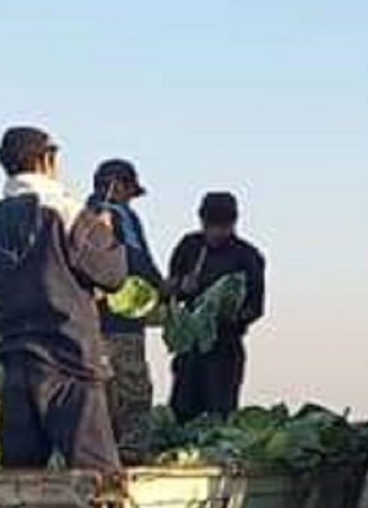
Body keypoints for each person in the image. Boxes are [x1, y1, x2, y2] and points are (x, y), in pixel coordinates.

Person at [0, 126, 128, 474]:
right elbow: (113, 274)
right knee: (99, 481)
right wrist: (105, 232)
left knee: (20, 484)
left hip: (16, 368)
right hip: (70, 364)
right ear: (47, 159)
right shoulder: (67, 212)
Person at [165, 190, 266, 421]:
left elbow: (256, 306)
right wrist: (181, 287)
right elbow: (168, 292)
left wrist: (228, 314)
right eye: (211, 225)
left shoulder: (248, 256)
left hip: (225, 348)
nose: (217, 232)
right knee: (181, 411)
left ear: (234, 223)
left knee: (219, 414)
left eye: (224, 226)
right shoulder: (189, 246)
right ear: (202, 221)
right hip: (189, 347)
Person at [87, 158, 165, 454]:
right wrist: (161, 285)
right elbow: (135, 258)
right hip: (122, 321)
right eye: (129, 191)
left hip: (91, 322)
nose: (130, 200)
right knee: (133, 392)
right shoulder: (117, 215)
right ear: (116, 186)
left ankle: (101, 451)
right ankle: (131, 453)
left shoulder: (77, 216)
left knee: (102, 391)